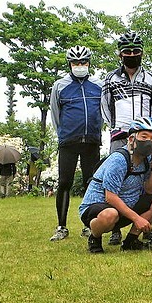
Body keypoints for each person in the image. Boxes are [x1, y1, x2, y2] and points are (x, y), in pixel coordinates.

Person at [79, 117, 152, 253]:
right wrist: (137, 219)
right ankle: (94, 237)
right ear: (131, 139)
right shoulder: (119, 160)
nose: (148, 141)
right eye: (144, 136)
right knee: (110, 214)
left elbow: (150, 190)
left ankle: (131, 241)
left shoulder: (147, 160)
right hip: (99, 207)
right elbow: (110, 197)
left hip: (125, 207)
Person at [49, 45, 103, 242]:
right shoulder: (60, 86)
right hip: (68, 141)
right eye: (75, 63)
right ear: (69, 64)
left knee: (91, 183)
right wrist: (62, 134)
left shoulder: (99, 84)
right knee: (65, 182)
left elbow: (103, 111)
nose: (80, 66)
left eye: (83, 62)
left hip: (91, 141)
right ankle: (61, 226)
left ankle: (88, 225)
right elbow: (55, 114)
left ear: (89, 63)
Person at [102, 31, 152, 153]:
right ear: (120, 54)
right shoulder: (110, 78)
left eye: (136, 51)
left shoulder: (151, 78)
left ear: (142, 53)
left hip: (144, 134)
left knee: (145, 170)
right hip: (119, 134)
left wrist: (149, 128)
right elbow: (105, 104)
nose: (132, 55)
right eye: (127, 52)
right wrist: (113, 127)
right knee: (117, 168)